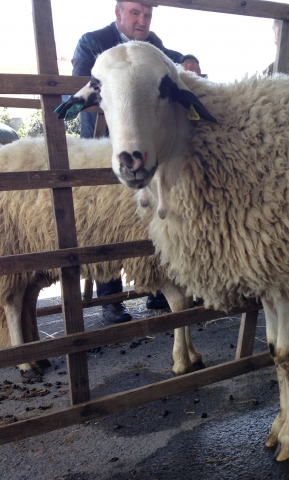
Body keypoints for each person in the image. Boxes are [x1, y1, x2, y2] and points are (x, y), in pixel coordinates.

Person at [72, 1, 179, 322]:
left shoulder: (154, 45)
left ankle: (159, 288)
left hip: (145, 141)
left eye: (147, 14)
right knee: (107, 217)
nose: (142, 20)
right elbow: (73, 89)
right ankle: (111, 298)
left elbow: (170, 69)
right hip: (103, 142)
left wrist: (185, 61)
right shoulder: (92, 43)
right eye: (136, 12)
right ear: (118, 12)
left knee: (152, 213)